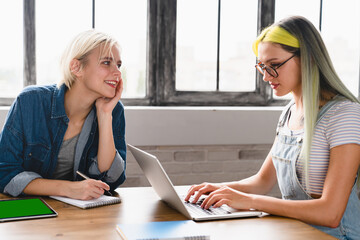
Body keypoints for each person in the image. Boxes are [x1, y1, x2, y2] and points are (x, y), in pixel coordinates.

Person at [185, 16, 360, 239]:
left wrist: (249, 202)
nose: (266, 76)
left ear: (308, 58)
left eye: (274, 65)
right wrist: (212, 189)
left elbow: (330, 213)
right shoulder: (289, 112)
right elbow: (261, 182)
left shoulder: (345, 114)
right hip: (297, 232)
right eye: (262, 67)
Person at [0, 29, 126, 200]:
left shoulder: (113, 110)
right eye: (106, 63)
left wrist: (104, 116)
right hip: (30, 212)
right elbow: (4, 172)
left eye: (118, 65)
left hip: (79, 216)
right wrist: (68, 188)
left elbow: (110, 180)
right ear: (76, 67)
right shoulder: (30, 102)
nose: (118, 73)